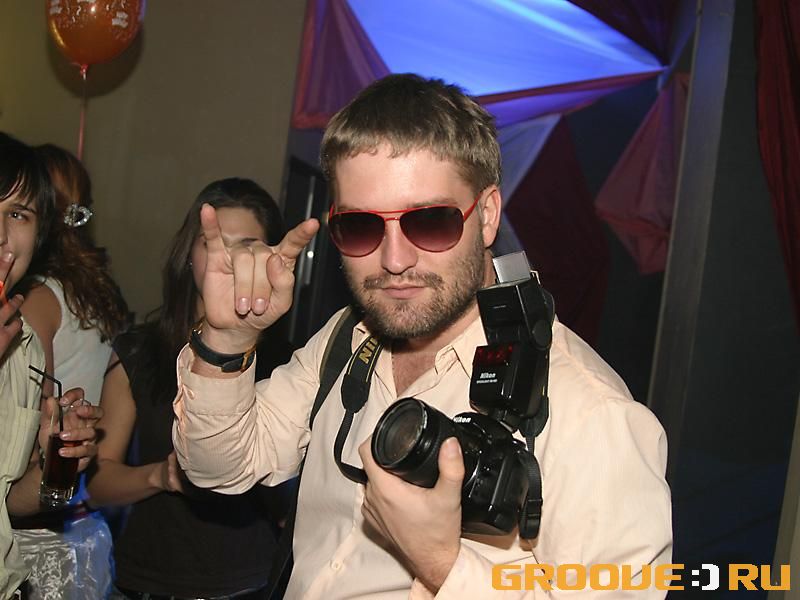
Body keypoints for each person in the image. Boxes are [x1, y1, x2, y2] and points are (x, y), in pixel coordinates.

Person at [172, 74, 672, 599]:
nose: (394, 260)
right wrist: (228, 339)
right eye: (361, 227)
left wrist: (441, 563)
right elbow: (220, 468)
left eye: (430, 222)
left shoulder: (588, 411)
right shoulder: (346, 340)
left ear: (486, 216)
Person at [87, 178, 294, 600]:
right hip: (148, 580)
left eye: (247, 246)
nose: (229, 259)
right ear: (189, 254)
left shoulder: (288, 363)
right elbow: (98, 484)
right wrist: (161, 475)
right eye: (212, 243)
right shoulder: (141, 351)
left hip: (248, 583)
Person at [12, 144, 131, 600]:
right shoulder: (95, 297)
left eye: (18, 211)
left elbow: (29, 424)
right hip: (82, 527)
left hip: (35, 536)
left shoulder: (39, 298)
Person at [0, 132, 102, 600]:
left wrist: (50, 465)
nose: (2, 234)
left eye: (18, 214)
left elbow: (9, 504)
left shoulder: (26, 349)